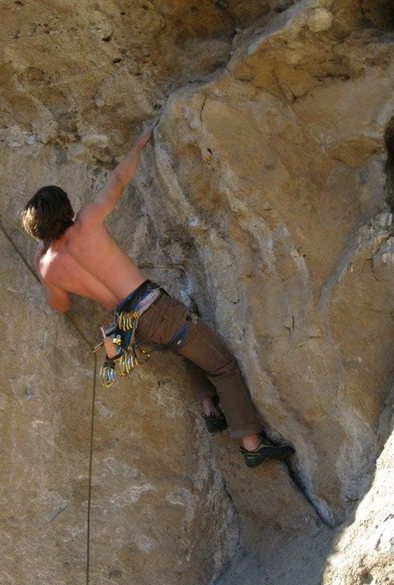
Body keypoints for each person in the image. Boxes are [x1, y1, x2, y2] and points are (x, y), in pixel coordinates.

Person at [21, 126, 294, 468]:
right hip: (154, 307)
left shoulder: (46, 266)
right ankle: (252, 444)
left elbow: (60, 305)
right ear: (65, 210)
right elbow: (119, 180)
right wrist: (139, 145)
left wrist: (39, 263)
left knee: (186, 347)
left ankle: (210, 407)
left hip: (129, 326)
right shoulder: (87, 222)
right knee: (223, 365)